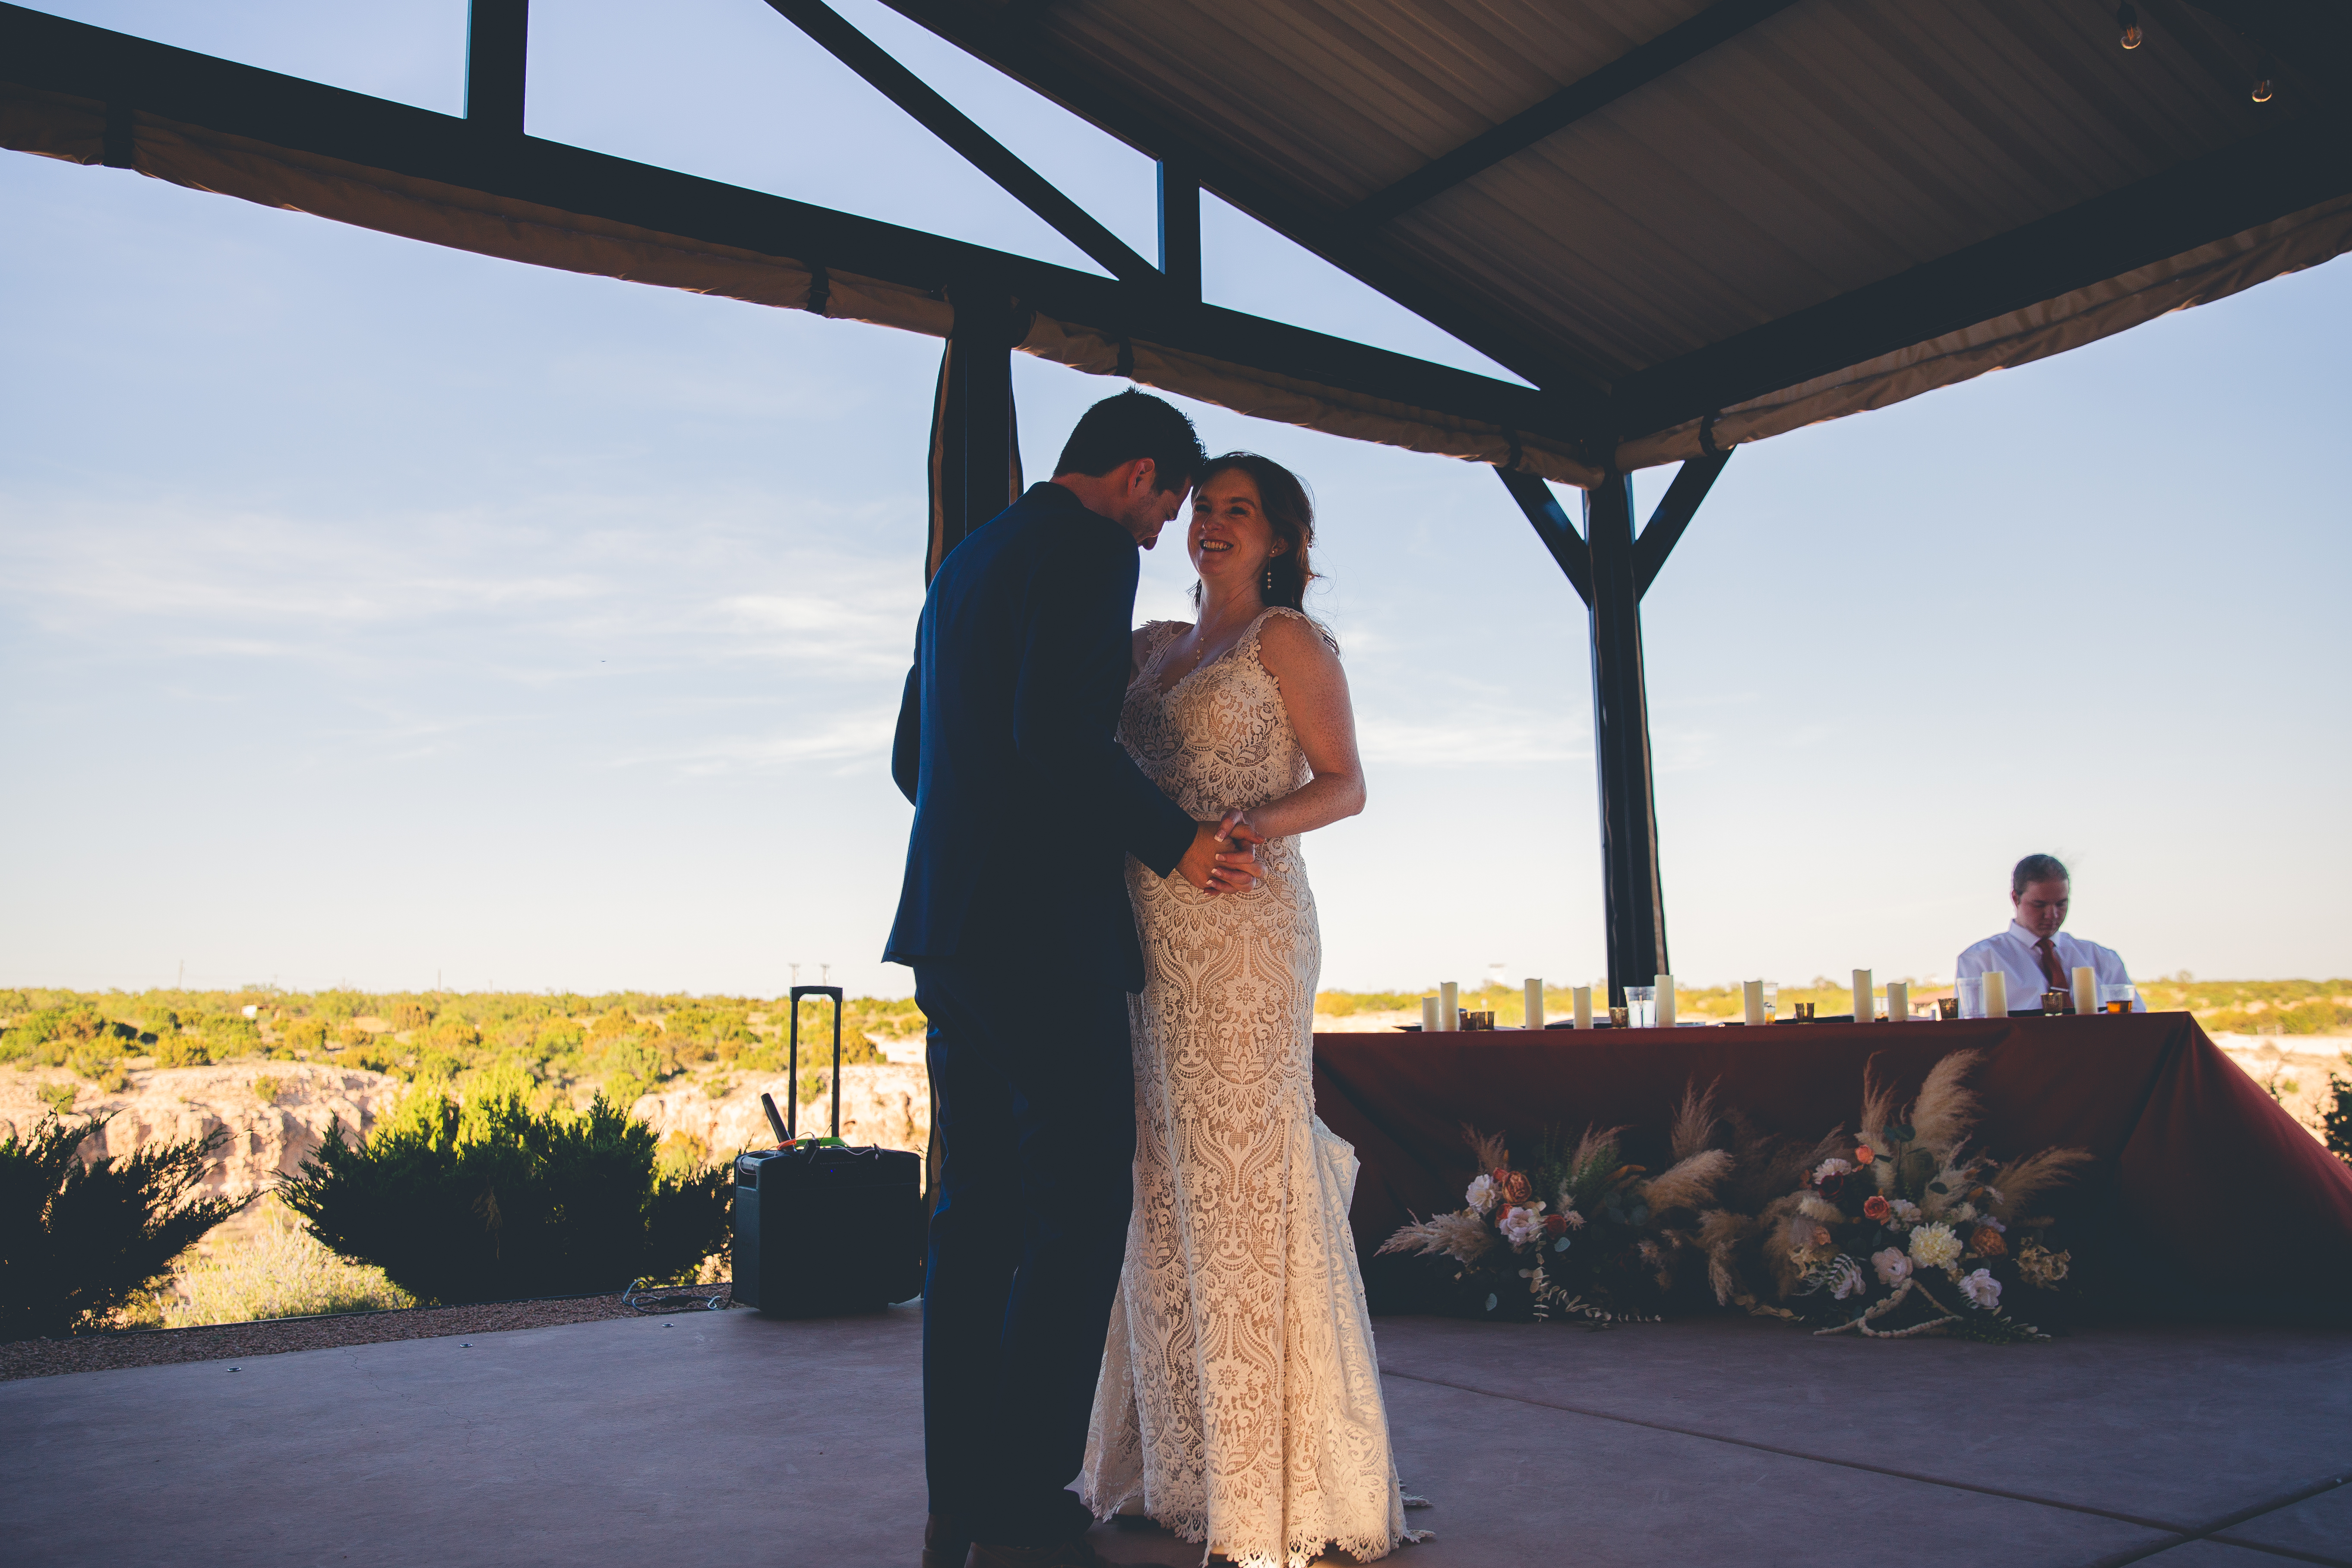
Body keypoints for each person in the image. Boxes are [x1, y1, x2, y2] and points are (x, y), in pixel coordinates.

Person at [887, 392, 1266, 1568]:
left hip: (949, 930)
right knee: (1075, 1211)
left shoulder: (968, 562)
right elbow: (1059, 734)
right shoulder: (1089, 545)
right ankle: (1026, 1489)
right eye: (1166, 505)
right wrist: (1178, 842)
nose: (1161, 532)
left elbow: (915, 758)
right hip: (1045, 938)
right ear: (1138, 473)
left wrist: (983, 830)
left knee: (973, 1218)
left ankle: (960, 1492)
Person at [1080, 453, 1419, 1567]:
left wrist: (1248, 828)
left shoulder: (1286, 642)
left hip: (1242, 928)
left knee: (1245, 1176)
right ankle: (1184, 1460)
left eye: (1241, 510)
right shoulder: (1143, 651)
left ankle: (1282, 1480)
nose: (1215, 523)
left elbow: (1346, 782)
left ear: (1280, 538)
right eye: (1207, 508)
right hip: (1147, 937)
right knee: (1165, 1178)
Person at [1955, 853, 2141, 1013]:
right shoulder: (1981, 960)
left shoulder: (2102, 959)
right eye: (2040, 905)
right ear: (2015, 898)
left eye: (2061, 904)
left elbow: (2138, 1023)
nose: (2052, 915)